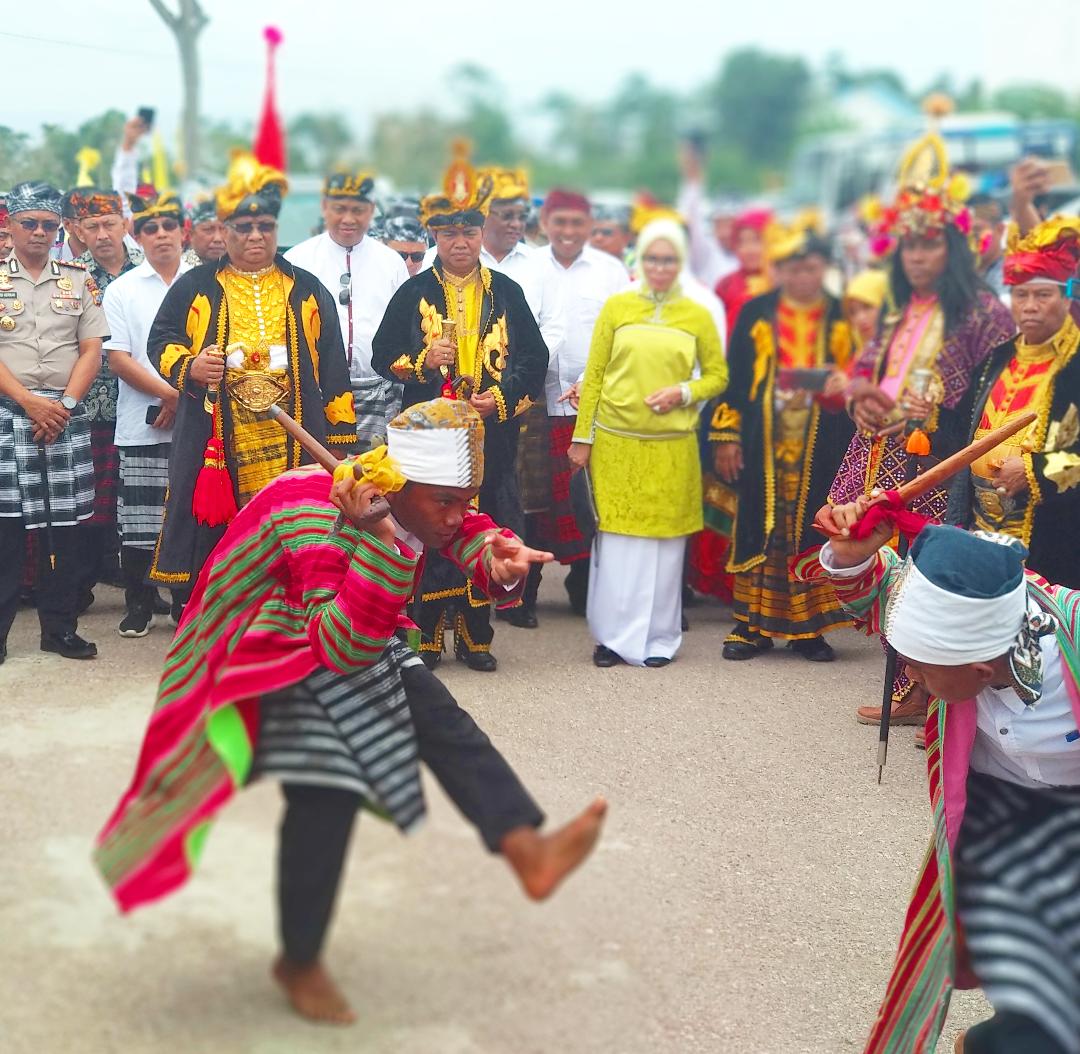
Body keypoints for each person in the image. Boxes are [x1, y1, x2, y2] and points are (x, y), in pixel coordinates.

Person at [95, 397, 606, 1026]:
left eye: (465, 497)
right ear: (401, 488)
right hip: (255, 644)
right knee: (329, 784)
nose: (458, 513)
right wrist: (383, 544)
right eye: (446, 501)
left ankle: (527, 848)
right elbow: (340, 651)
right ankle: (299, 961)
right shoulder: (324, 521)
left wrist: (498, 559)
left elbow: (464, 529)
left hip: (338, 622)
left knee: (439, 719)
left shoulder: (413, 493)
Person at [810, 507, 1080, 1054]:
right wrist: (847, 555)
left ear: (981, 671)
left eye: (921, 670)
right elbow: (878, 586)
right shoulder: (962, 620)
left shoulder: (1068, 637)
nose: (911, 680)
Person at [831, 168, 1014, 723]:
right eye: (909, 245)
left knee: (933, 578)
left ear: (952, 248)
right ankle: (915, 686)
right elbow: (865, 373)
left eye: (930, 243)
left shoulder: (984, 315)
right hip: (876, 458)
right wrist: (859, 399)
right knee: (882, 572)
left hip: (939, 466)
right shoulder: (895, 309)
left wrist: (930, 419)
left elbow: (992, 397)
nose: (917, 256)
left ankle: (942, 692)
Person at [147, 153, 357, 592]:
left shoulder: (306, 287)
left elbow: (335, 371)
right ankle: (216, 621)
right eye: (243, 228)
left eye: (265, 228)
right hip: (219, 432)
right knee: (214, 532)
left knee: (297, 526)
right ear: (224, 231)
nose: (256, 236)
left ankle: (289, 621)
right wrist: (191, 366)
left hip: (294, 431)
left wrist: (339, 445)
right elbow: (160, 342)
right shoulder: (195, 284)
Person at [371, 162, 548, 671]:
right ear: (435, 234)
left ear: (481, 232)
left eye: (469, 231)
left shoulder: (506, 292)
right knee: (428, 524)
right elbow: (382, 355)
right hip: (427, 437)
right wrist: (421, 362)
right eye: (449, 233)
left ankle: (476, 635)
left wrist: (502, 400)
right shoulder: (413, 292)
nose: (460, 242)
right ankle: (426, 632)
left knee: (482, 522)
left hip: (489, 436)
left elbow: (534, 361)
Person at [567, 218, 727, 667]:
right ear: (641, 260)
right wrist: (584, 437)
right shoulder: (617, 307)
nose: (660, 267)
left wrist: (683, 392)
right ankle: (611, 639)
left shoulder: (696, 313)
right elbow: (594, 374)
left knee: (664, 545)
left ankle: (659, 640)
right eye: (653, 258)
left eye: (669, 259)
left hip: (672, 446)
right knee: (617, 546)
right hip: (617, 443)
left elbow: (718, 375)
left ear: (681, 263)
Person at [710, 224, 854, 662]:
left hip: (821, 441)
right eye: (792, 268)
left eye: (809, 267)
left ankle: (807, 630)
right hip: (761, 440)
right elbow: (734, 380)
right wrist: (727, 436)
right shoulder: (756, 312)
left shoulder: (842, 316)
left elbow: (858, 377)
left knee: (810, 526)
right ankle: (750, 626)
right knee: (759, 527)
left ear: (823, 268)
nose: (801, 277)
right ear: (780, 270)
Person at [504, 188, 631, 625]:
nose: (569, 232)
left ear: (589, 225)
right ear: (545, 224)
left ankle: (585, 587)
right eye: (560, 223)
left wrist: (591, 382)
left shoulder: (611, 271)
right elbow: (515, 333)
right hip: (534, 403)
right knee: (533, 500)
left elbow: (625, 335)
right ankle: (525, 593)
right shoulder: (526, 268)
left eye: (577, 223)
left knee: (589, 499)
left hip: (595, 402)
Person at [0, 181, 109, 662]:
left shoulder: (77, 276)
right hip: (8, 414)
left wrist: (61, 404)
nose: (39, 232)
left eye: (48, 223)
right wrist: (29, 402)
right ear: (11, 225)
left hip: (64, 417)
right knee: (5, 532)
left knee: (66, 532)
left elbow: (92, 348)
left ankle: (59, 629)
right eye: (30, 223)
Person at [947, 215, 1080, 589]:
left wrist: (1034, 472)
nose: (1030, 306)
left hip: (1055, 539)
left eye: (1043, 295)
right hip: (982, 532)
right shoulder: (996, 357)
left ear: (1067, 296)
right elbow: (963, 431)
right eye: (1021, 295)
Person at [103, 192, 192, 636]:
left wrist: (181, 400)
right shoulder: (122, 289)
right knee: (138, 522)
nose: (161, 236)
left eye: (168, 227)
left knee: (188, 514)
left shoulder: (204, 284)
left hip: (197, 422)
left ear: (183, 232)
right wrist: (172, 396)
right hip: (142, 422)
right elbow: (119, 358)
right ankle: (138, 603)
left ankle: (185, 602)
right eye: (151, 229)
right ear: (137, 237)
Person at [285, 170, 409, 448]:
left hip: (379, 390)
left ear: (372, 211)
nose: (349, 219)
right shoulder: (297, 261)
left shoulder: (391, 263)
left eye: (358, 210)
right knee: (321, 477)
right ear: (324, 207)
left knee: (376, 478)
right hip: (317, 393)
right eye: (339, 209)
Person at [676, 139, 738, 289]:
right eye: (718, 226)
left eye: (729, 225)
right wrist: (693, 177)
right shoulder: (707, 253)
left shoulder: (754, 256)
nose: (724, 233)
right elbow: (690, 218)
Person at [714, 206, 772, 338]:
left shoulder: (783, 283)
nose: (749, 249)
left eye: (757, 240)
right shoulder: (725, 285)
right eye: (742, 242)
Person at [969, 193, 1008, 301]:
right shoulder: (958, 272)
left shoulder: (1013, 273)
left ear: (1000, 230)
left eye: (977, 231)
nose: (970, 239)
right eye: (965, 232)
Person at [842, 268, 888, 358]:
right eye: (852, 312)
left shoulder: (900, 354)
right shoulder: (859, 355)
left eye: (867, 307)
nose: (860, 318)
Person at [185, 195, 227, 265]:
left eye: (224, 229)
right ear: (191, 235)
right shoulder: (178, 272)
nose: (218, 239)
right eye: (208, 230)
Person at [590, 203, 633, 268]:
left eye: (607, 233)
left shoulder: (639, 265)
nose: (598, 238)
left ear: (626, 238)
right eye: (593, 233)